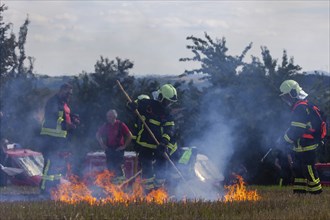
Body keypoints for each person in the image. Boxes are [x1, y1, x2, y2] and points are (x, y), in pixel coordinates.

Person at [128, 84, 178, 188]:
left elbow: (170, 129)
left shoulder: (168, 113)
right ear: (160, 97)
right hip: (145, 144)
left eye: (170, 102)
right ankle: (148, 193)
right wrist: (132, 106)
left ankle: (158, 190)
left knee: (162, 170)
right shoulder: (147, 104)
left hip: (158, 145)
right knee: (147, 171)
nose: (168, 104)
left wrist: (164, 142)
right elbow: (133, 104)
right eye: (166, 101)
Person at [278, 79, 323, 194]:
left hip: (307, 146)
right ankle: (299, 194)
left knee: (309, 170)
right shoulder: (299, 106)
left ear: (293, 93)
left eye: (286, 96)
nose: (285, 99)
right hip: (299, 146)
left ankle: (316, 194)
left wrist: (284, 140)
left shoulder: (301, 108)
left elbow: (297, 130)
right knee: (298, 171)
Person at [39, 83, 80, 197]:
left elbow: (66, 115)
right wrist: (67, 125)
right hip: (50, 139)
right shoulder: (53, 102)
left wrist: (73, 119)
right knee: (49, 163)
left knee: (58, 165)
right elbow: (52, 118)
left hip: (60, 140)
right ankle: (43, 190)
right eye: (67, 93)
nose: (69, 95)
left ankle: (55, 188)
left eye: (71, 94)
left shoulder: (64, 104)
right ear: (61, 90)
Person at [96, 109, 132, 177]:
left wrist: (124, 146)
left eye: (109, 116)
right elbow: (98, 134)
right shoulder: (106, 125)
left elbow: (129, 135)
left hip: (118, 150)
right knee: (110, 168)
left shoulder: (121, 124)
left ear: (114, 117)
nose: (108, 118)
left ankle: (120, 184)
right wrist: (102, 144)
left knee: (119, 167)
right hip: (109, 149)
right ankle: (112, 184)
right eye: (107, 116)